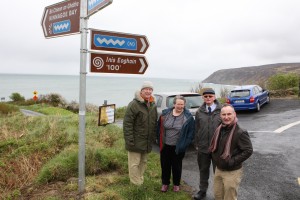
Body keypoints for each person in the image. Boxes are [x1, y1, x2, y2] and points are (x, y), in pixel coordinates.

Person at [209, 104, 253, 200]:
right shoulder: (219, 128)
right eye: (223, 114)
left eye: (229, 114)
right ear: (220, 116)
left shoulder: (240, 132)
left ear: (234, 114)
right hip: (218, 169)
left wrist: (232, 161)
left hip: (232, 172)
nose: (226, 117)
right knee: (218, 196)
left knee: (229, 198)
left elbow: (248, 150)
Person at [157, 95, 195, 192]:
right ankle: (165, 183)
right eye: (178, 104)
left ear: (184, 105)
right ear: (174, 104)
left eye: (182, 104)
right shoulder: (165, 114)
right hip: (165, 146)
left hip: (178, 147)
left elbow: (191, 133)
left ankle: (176, 184)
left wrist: (185, 144)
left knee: (176, 166)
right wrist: (159, 140)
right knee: (165, 165)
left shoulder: (188, 117)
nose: (180, 106)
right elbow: (159, 128)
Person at [123, 81, 158, 186]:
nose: (148, 91)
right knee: (134, 164)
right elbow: (127, 124)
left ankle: (139, 180)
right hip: (135, 141)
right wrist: (129, 140)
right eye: (146, 89)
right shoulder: (134, 104)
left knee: (143, 162)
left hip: (146, 141)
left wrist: (153, 139)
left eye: (150, 89)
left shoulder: (152, 105)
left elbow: (154, 123)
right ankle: (135, 185)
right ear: (141, 91)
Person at [194, 88, 222, 200]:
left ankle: (219, 193)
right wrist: (196, 143)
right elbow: (197, 129)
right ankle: (202, 191)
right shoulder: (199, 112)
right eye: (206, 96)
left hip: (218, 148)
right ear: (203, 98)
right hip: (203, 147)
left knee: (218, 172)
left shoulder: (222, 110)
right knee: (203, 170)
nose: (208, 98)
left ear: (214, 97)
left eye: (210, 96)